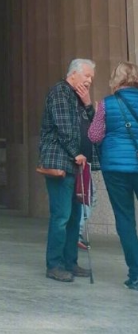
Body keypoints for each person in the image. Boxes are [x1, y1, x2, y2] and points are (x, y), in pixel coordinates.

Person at [38, 58, 99, 282]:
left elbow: (96, 128)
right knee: (61, 215)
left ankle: (70, 262)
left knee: (75, 216)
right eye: (87, 76)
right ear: (73, 74)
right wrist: (76, 153)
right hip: (62, 162)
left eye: (92, 77)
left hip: (77, 166)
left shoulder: (79, 97)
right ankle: (54, 264)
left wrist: (88, 103)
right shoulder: (60, 92)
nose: (90, 80)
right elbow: (64, 129)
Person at [88, 61, 138, 291]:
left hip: (115, 168)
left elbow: (94, 136)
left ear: (116, 79)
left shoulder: (107, 104)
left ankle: (135, 275)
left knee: (125, 219)